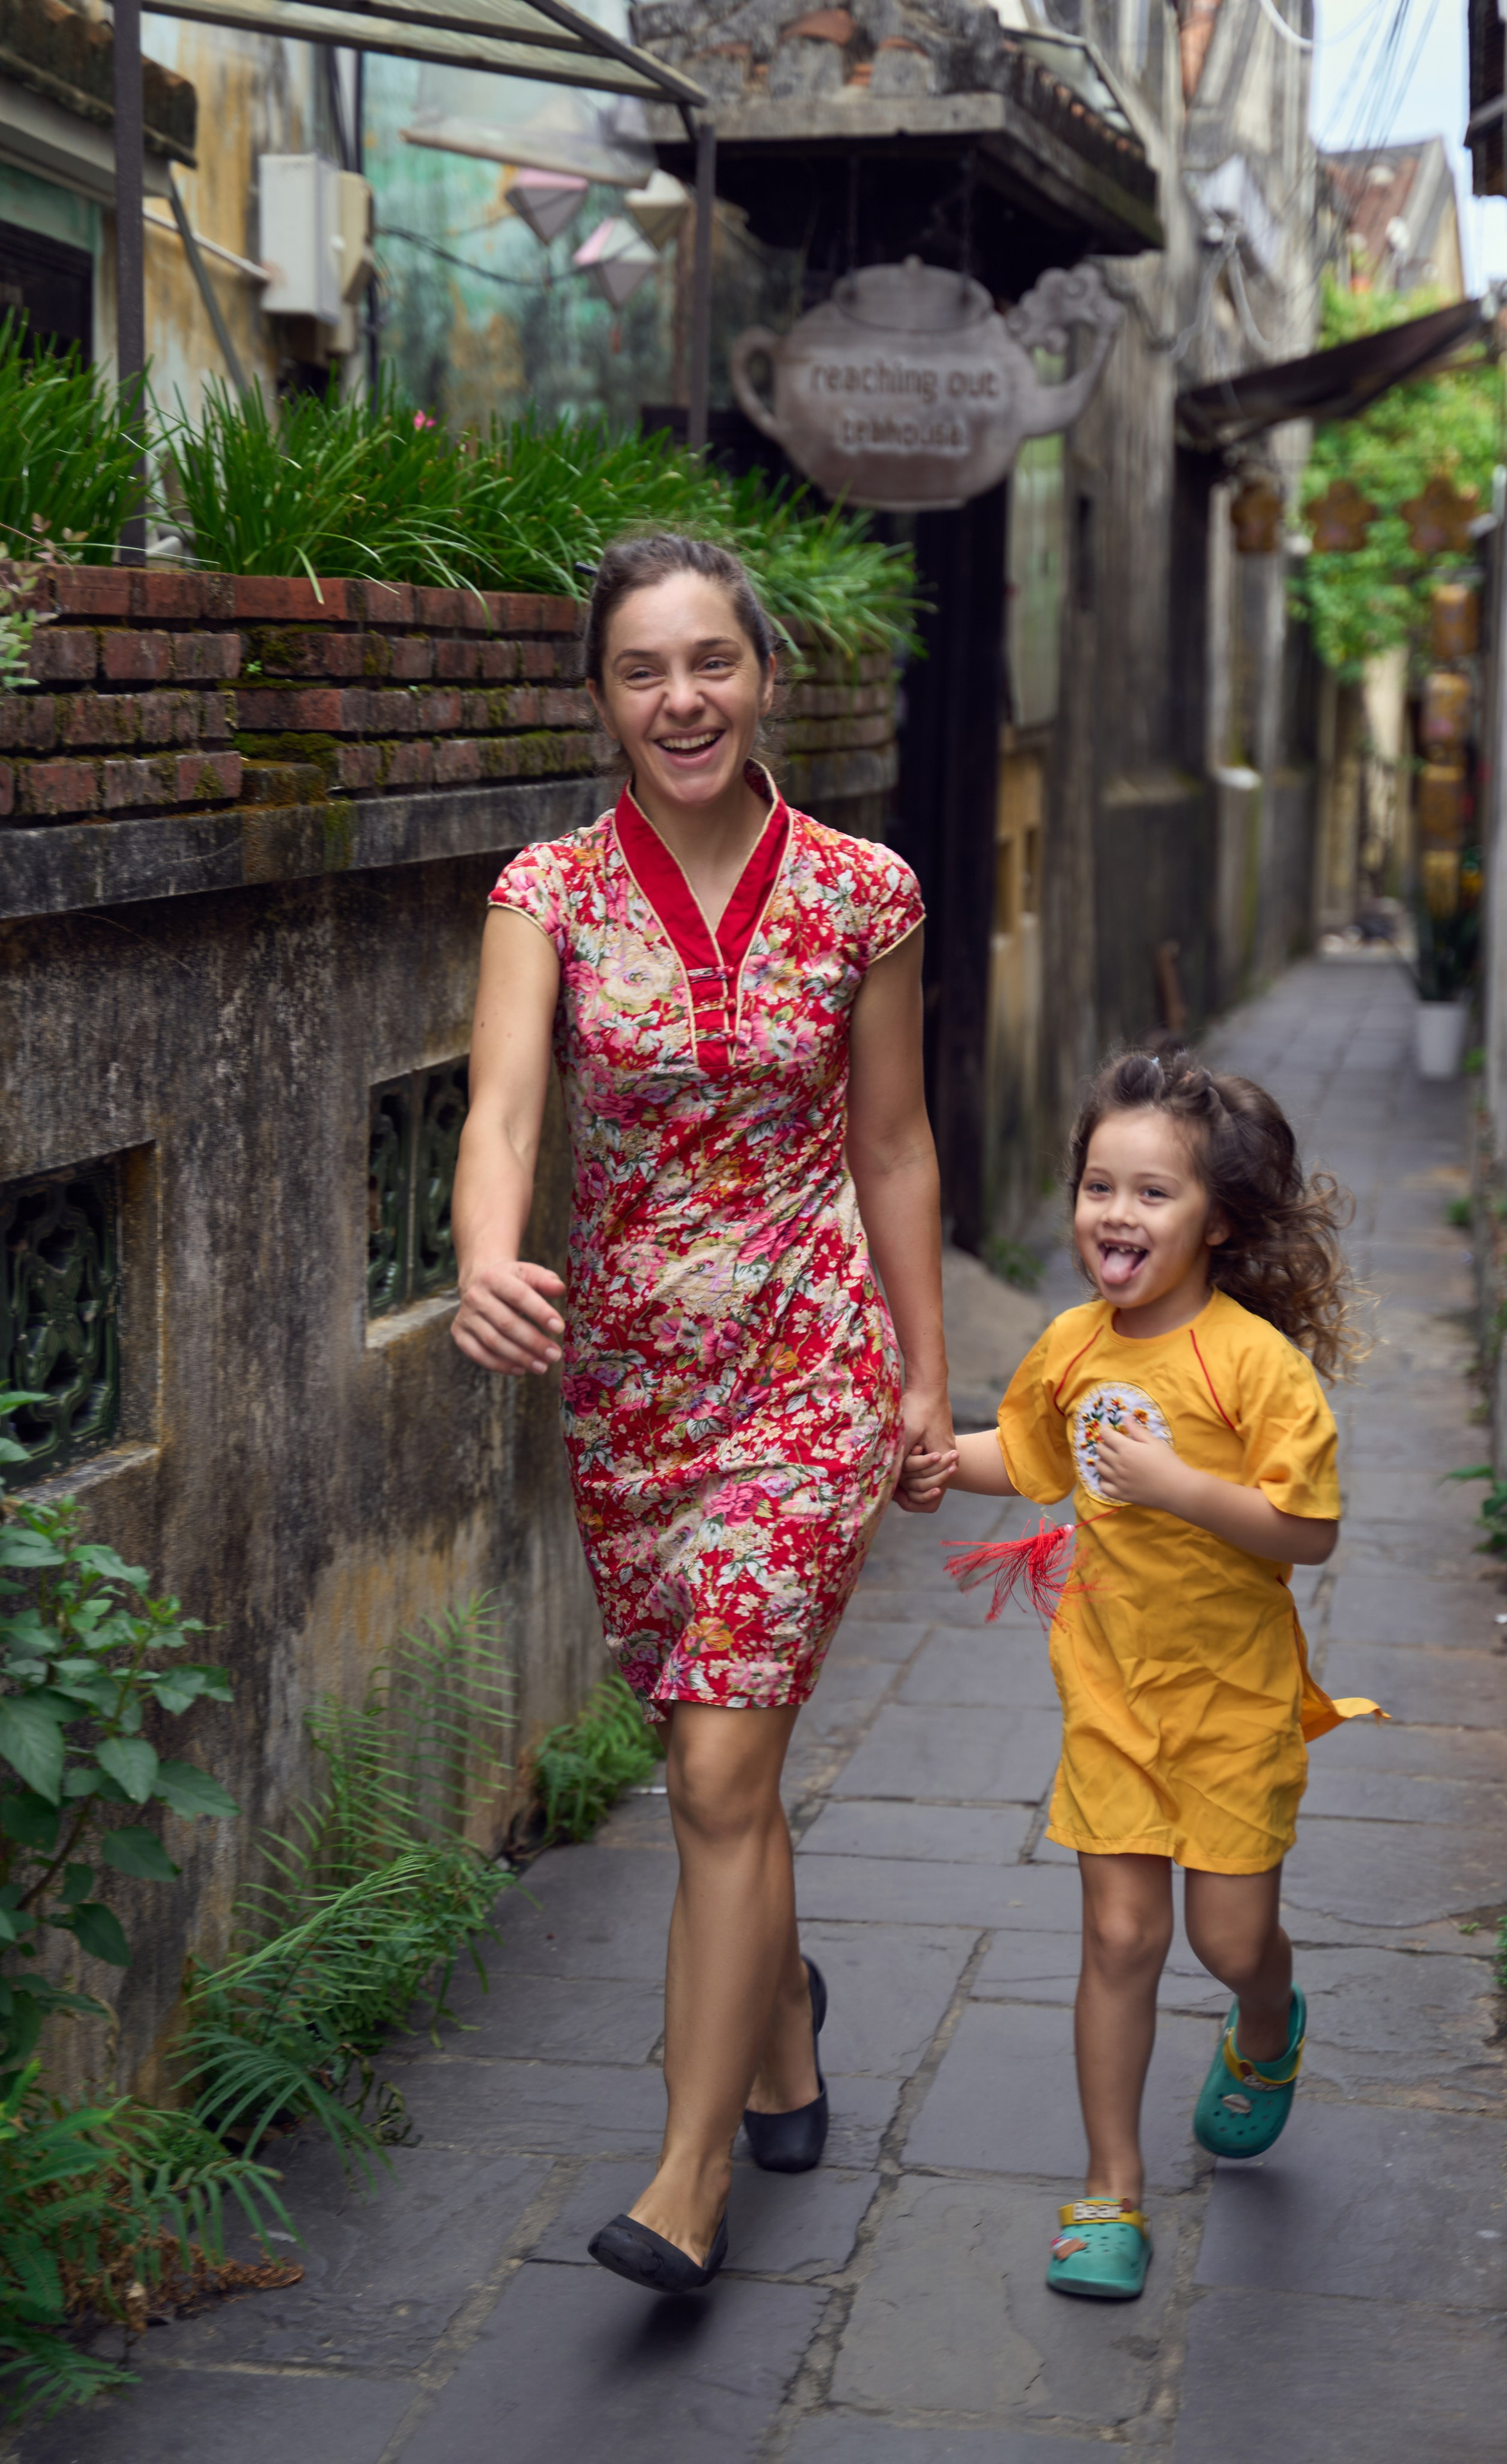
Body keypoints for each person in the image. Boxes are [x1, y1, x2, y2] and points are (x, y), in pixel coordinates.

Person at [450, 534, 956, 2295]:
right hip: (632, 1395)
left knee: (724, 1762)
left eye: (712, 663)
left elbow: (891, 1141)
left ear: (766, 677)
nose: (683, 699)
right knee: (710, 1758)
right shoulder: (546, 895)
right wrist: (484, 1258)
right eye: (645, 670)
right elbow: (505, 1112)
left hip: (809, 1366)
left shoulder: (865, 891)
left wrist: (923, 1374)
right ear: (601, 698)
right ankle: (790, 2023)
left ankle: (688, 2177)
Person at [903, 1048, 1378, 2302]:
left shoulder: (1253, 1368)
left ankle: (1266, 2023)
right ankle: (1108, 2191)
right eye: (1096, 1186)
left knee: (1226, 1941)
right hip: (1110, 1692)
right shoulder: (1068, 1345)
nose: (1114, 1214)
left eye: (1150, 1193)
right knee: (1117, 1936)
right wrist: (933, 1462)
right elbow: (1028, 1454)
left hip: (1229, 1704)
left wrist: (1181, 1489)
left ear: (1215, 1220)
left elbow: (1308, 1530)